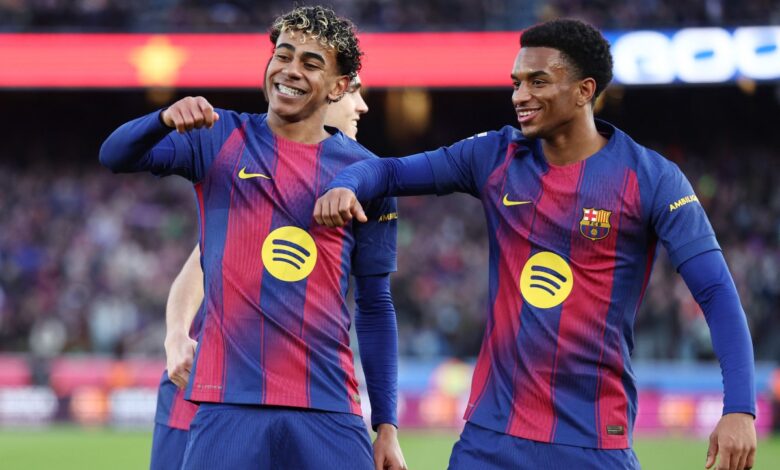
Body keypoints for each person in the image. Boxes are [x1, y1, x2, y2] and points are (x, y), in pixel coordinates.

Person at [314, 18, 756, 470]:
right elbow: (390, 171)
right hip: (489, 440)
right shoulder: (494, 156)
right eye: (517, 82)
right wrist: (348, 183)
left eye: (538, 81)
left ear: (584, 91)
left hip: (592, 442)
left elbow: (716, 292)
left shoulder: (652, 178)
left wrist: (740, 407)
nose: (519, 95)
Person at [100, 6, 406, 470]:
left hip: (327, 406)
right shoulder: (218, 137)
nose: (290, 69)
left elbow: (376, 305)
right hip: (227, 403)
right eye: (283, 55)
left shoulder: (368, 174)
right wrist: (162, 119)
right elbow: (115, 155)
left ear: (339, 86)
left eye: (310, 63)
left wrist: (386, 425)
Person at [150, 75, 374, 470]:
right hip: (210, 384)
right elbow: (196, 267)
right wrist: (176, 337)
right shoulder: (253, 168)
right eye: (353, 93)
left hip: (293, 396)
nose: (361, 106)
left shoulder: (352, 180)